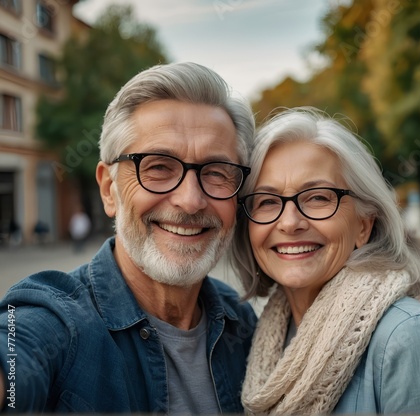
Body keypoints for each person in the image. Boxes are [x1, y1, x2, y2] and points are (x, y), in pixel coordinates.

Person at [0, 62, 257, 412]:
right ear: (109, 189)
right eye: (158, 167)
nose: (191, 200)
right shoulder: (57, 321)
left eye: (216, 173)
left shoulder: (242, 322)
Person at [230, 107, 420, 414]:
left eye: (318, 197)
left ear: (363, 225)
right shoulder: (267, 338)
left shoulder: (412, 339)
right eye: (267, 201)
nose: (289, 222)